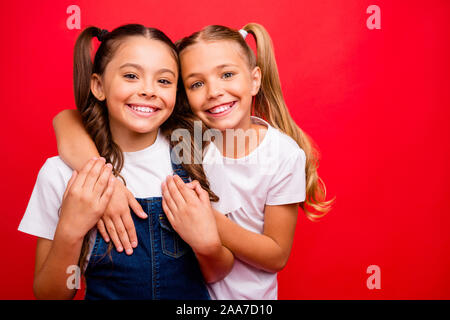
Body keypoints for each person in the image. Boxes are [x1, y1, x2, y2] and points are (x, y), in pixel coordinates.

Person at [53, 23, 333, 300]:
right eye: (197, 84)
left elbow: (276, 256)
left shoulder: (281, 154)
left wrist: (205, 222)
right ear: (182, 94)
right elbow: (67, 120)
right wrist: (108, 182)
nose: (213, 91)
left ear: (255, 79)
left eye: (227, 74)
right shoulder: (188, 138)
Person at [18, 24, 234, 300]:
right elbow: (50, 295)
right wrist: (70, 231)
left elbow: (219, 272)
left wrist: (207, 245)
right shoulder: (60, 172)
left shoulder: (200, 159)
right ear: (98, 86)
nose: (148, 90)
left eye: (164, 81)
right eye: (131, 76)